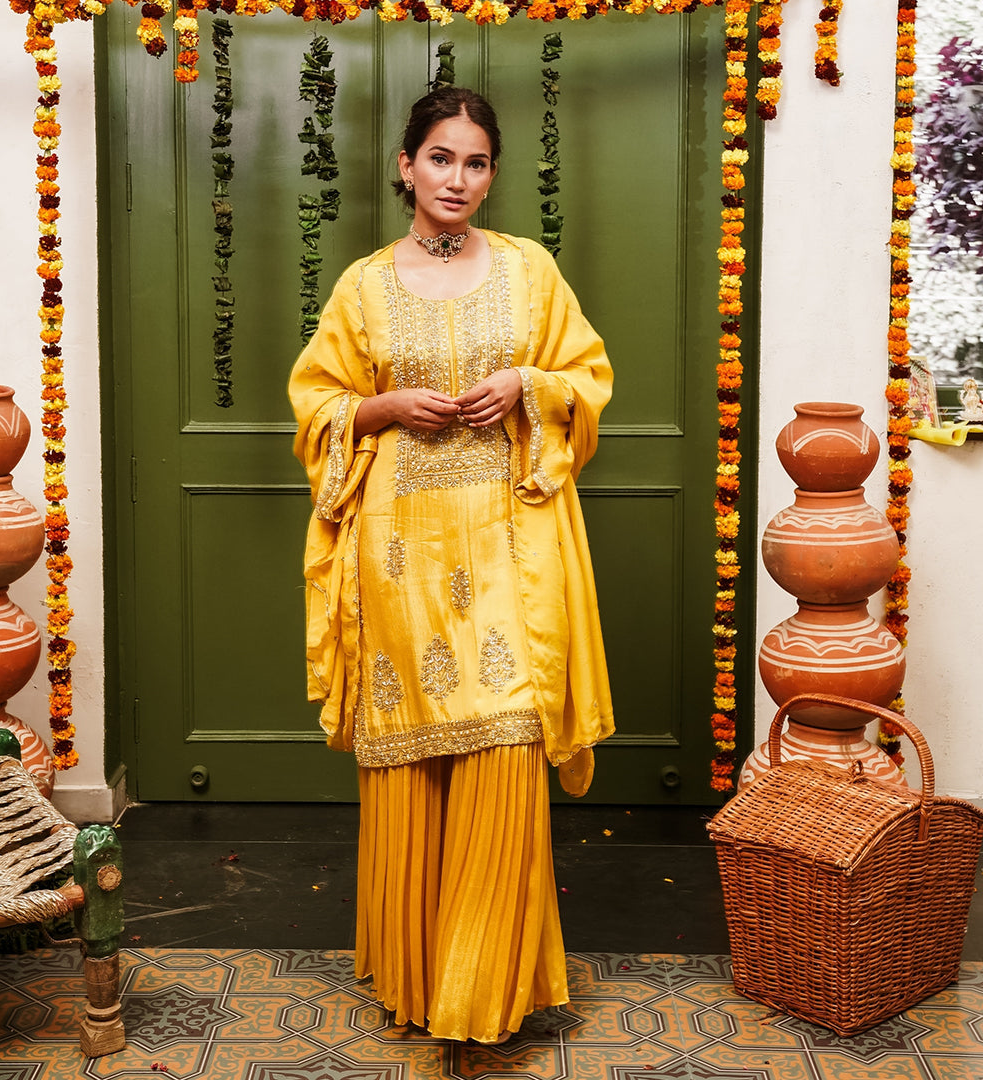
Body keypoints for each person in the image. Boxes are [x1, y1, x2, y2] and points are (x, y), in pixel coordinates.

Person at [288, 86, 614, 1045]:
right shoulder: (362, 285)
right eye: (440, 159)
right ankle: (419, 978)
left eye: (475, 163)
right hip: (398, 552)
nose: (457, 179)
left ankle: (487, 992)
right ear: (406, 166)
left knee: (506, 739)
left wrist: (528, 385)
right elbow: (316, 406)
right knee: (415, 751)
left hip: (510, 537)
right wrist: (383, 411)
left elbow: (588, 378)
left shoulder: (530, 271)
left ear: (491, 173)